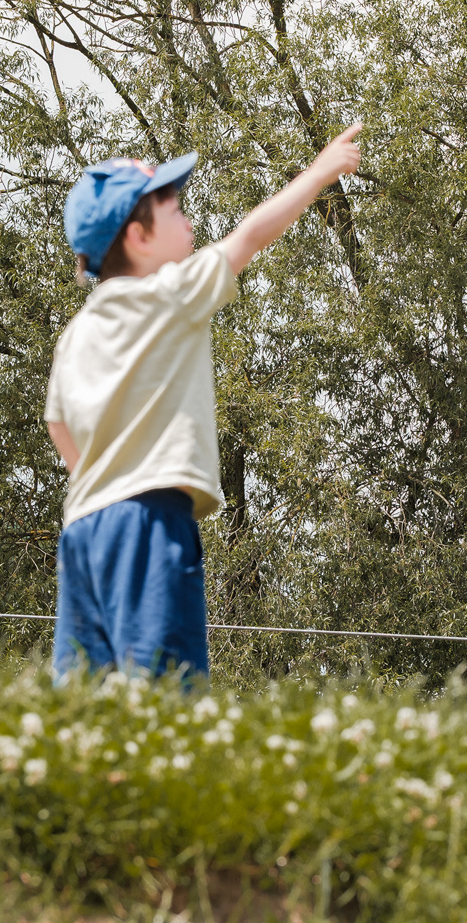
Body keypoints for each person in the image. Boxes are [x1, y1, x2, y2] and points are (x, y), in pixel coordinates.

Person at [44, 125, 362, 679]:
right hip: (148, 517)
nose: (187, 216)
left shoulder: (76, 332)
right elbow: (249, 236)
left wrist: (100, 475)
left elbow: (57, 423)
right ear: (139, 237)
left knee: (85, 698)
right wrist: (319, 173)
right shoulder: (169, 295)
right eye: (174, 207)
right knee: (163, 686)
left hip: (84, 529)